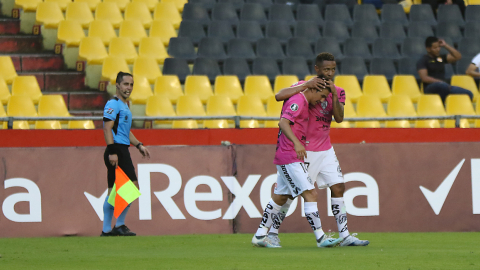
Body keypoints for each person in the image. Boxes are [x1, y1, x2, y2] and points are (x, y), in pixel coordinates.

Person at [270, 52, 370, 247]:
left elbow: (339, 118)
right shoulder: (304, 86)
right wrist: (306, 85)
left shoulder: (338, 91)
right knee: (289, 194)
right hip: (304, 150)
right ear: (317, 69)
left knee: (339, 186)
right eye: (326, 69)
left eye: (333, 69)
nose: (330, 73)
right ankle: (272, 232)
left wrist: (332, 94)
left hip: (325, 149)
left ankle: (345, 235)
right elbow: (278, 96)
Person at [251, 78, 342, 248]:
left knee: (280, 197)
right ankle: (321, 238)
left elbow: (281, 97)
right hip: (289, 156)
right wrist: (297, 143)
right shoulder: (299, 100)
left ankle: (260, 235)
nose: (322, 101)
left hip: (290, 156)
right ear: (313, 89)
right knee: (311, 193)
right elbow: (283, 122)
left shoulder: (301, 99)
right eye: (322, 96)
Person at [101, 72, 151, 237]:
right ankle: (119, 225)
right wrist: (113, 151)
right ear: (117, 85)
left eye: (131, 85)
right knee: (132, 188)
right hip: (117, 150)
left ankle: (107, 230)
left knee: (113, 191)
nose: (129, 88)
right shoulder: (113, 104)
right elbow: (107, 128)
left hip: (122, 149)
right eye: (125, 84)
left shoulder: (124, 105)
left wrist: (139, 145)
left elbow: (125, 131)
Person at [417, 36, 473, 104]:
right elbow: (424, 78)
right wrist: (440, 82)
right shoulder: (423, 60)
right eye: (435, 48)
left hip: (444, 86)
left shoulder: (440, 58)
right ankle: (442, 107)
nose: (438, 49)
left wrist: (445, 45)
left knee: (468, 93)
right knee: (442, 86)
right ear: (428, 49)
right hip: (430, 88)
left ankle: (455, 111)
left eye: (439, 47)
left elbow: (458, 57)